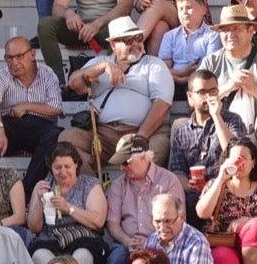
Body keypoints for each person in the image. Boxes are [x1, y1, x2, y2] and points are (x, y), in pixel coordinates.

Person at [58, 17, 175, 172]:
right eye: (128, 40)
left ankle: (135, 195)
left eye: (138, 38)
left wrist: (140, 138)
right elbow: (74, 83)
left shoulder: (153, 64)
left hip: (143, 132)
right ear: (113, 45)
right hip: (103, 135)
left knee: (154, 151)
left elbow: (163, 103)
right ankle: (94, 192)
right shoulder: (100, 62)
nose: (135, 43)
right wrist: (103, 67)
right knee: (67, 141)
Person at [104, 134, 185, 264]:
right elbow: (112, 224)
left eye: (125, 162)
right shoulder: (118, 184)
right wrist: (128, 242)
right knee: (117, 260)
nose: (121, 167)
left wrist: (151, 242)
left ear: (143, 157)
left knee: (162, 259)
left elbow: (177, 223)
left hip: (161, 243)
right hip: (126, 243)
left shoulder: (168, 181)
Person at [0, 38, 63, 198]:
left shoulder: (47, 73)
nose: (14, 62)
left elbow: (56, 108)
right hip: (10, 129)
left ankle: (27, 192)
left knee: (55, 135)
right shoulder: (0, 76)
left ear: (32, 54)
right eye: (9, 58)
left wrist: (26, 106)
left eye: (19, 56)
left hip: (40, 127)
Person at [26, 141, 108, 264]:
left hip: (84, 239)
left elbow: (98, 221)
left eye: (67, 166)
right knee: (40, 257)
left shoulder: (89, 184)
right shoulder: (43, 185)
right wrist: (37, 201)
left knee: (81, 257)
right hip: (50, 239)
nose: (63, 172)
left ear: (76, 165)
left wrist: (68, 207)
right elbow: (34, 227)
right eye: (58, 167)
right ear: (51, 167)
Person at [195, 137, 257, 264]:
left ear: (253, 162)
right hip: (225, 243)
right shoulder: (216, 184)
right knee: (222, 260)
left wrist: (247, 222)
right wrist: (221, 179)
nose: (239, 162)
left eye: (243, 158)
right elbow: (202, 213)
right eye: (234, 158)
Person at [198, 3, 257, 161]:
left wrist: (254, 89)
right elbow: (197, 102)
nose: (230, 34)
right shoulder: (210, 62)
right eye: (225, 30)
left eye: (236, 28)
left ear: (251, 31)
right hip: (223, 128)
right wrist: (229, 86)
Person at [169, 70, 245, 220]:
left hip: (225, 190)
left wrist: (216, 116)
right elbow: (177, 171)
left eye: (213, 91)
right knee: (180, 203)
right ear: (190, 97)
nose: (209, 97)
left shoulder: (231, 120)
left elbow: (236, 155)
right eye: (202, 92)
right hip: (193, 196)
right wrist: (187, 184)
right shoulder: (182, 132)